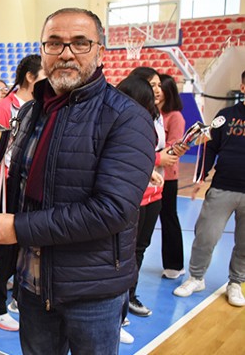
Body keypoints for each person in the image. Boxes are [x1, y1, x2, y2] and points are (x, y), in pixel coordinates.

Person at [0, 8, 156, 354]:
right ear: (43, 50)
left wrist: (16, 227)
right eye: (55, 43)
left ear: (100, 51)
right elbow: (20, 189)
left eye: (80, 43)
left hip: (91, 293)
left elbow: (111, 211)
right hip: (32, 286)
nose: (66, 53)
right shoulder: (33, 112)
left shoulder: (126, 118)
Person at [0, 54, 44, 333]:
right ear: (31, 77)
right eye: (45, 73)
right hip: (3, 191)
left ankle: (17, 298)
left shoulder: (39, 107)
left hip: (25, 191)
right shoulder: (5, 109)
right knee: (3, 250)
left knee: (22, 246)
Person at [173, 70, 245, 308]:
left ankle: (236, 282)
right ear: (242, 88)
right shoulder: (225, 116)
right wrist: (199, 178)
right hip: (223, 187)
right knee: (206, 236)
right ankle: (196, 277)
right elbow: (210, 148)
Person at [115, 74, 165, 344]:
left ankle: (127, 302)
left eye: (159, 85)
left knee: (137, 251)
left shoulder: (151, 120)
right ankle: (117, 314)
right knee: (122, 257)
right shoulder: (121, 123)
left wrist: (149, 173)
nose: (157, 91)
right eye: (152, 86)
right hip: (129, 201)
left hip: (149, 197)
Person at [157, 73, 188, 279]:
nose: (157, 92)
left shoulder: (174, 116)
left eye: (160, 89)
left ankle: (175, 265)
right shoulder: (150, 114)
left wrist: (155, 156)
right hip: (150, 176)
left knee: (168, 219)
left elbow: (174, 147)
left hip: (166, 177)